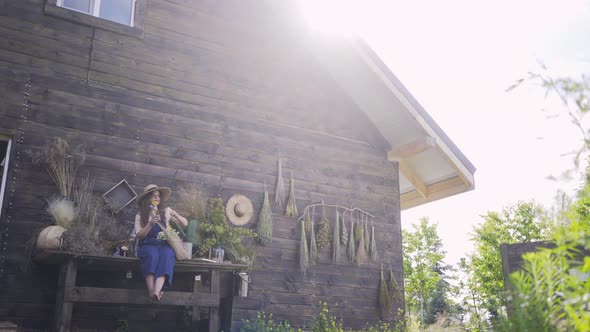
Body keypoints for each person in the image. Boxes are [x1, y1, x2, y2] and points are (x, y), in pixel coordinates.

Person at [134, 184, 188, 301]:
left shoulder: (166, 211)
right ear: (147, 199)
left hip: (164, 243)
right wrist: (150, 223)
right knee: (151, 256)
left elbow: (185, 223)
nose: (157, 198)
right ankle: (151, 291)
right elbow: (139, 235)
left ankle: (157, 292)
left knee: (167, 255)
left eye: (158, 196)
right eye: (153, 196)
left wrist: (177, 216)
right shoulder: (140, 215)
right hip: (148, 243)